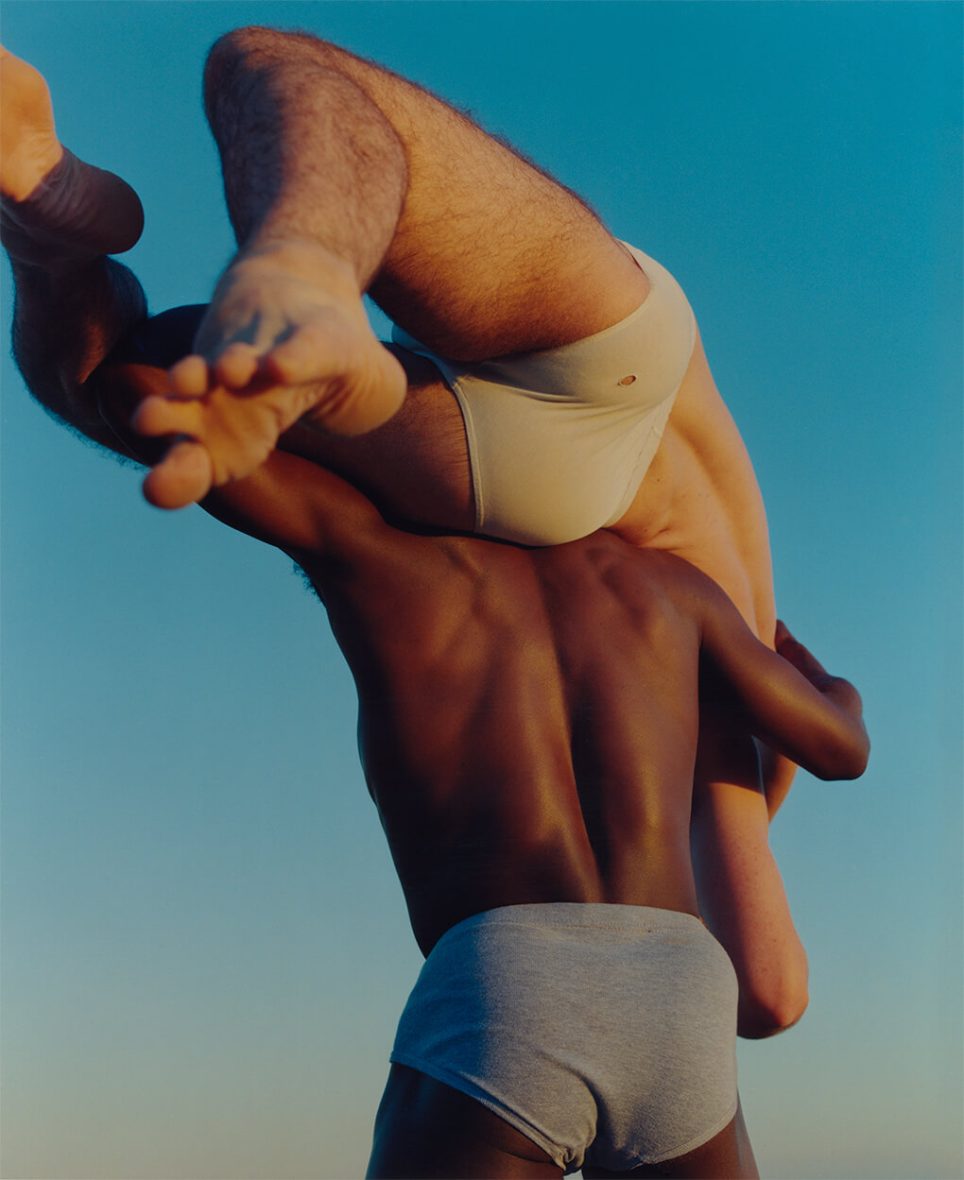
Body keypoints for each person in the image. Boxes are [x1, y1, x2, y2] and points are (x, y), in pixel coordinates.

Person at [2, 44, 870, 1179]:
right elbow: (839, 749)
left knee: (120, 363)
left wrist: (112, 328)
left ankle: (66, 239)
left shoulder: (383, 556)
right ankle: (196, 273)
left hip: (508, 976)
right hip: (676, 988)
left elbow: (122, 387)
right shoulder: (673, 596)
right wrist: (820, 677)